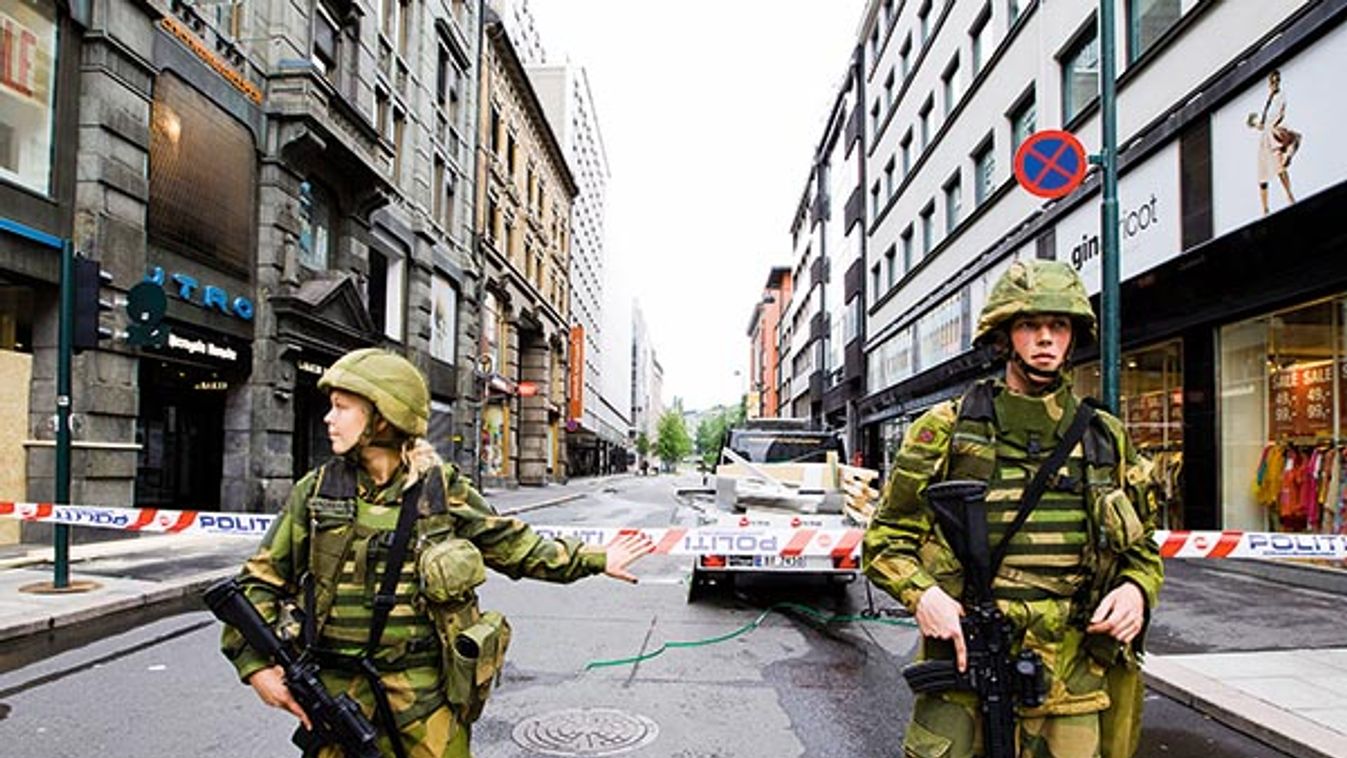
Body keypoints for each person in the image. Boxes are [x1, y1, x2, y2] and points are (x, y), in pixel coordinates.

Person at [219, 348, 653, 758]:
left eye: (343, 406)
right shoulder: (316, 492)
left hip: (425, 694)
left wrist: (596, 559)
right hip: (335, 691)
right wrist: (256, 667)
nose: (329, 418)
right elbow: (259, 583)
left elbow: (515, 546)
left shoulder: (440, 489)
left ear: (383, 417)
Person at [862, 260, 1163, 758]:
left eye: (1058, 326)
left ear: (1072, 337)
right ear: (1004, 337)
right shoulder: (945, 430)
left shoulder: (1104, 437)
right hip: (965, 663)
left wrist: (1135, 591)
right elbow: (885, 538)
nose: (1045, 338)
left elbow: (1142, 550)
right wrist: (924, 596)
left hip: (1072, 672)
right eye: (1029, 325)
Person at [1252, 68, 1301, 214]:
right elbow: (1264, 121)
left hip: (1272, 134)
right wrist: (1257, 124)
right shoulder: (1269, 99)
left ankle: (1290, 196)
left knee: (1279, 166)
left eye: (1276, 81)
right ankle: (1265, 209)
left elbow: (1279, 114)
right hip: (1266, 137)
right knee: (1262, 175)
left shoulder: (1280, 96)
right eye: (1272, 82)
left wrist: (1271, 126)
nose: (1274, 84)